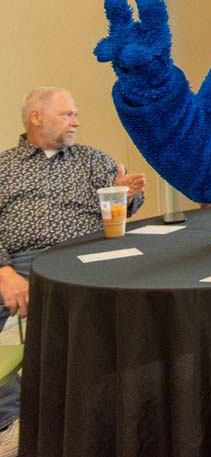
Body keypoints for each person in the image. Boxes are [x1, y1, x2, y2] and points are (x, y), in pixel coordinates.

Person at [0, 87, 146, 453]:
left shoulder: (92, 160)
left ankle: (117, 412)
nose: (76, 122)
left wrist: (128, 195)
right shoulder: (4, 167)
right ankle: (12, 420)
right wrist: (4, 272)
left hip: (84, 257)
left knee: (126, 314)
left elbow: (123, 205)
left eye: (75, 114)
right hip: (19, 262)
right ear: (36, 117)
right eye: (67, 114)